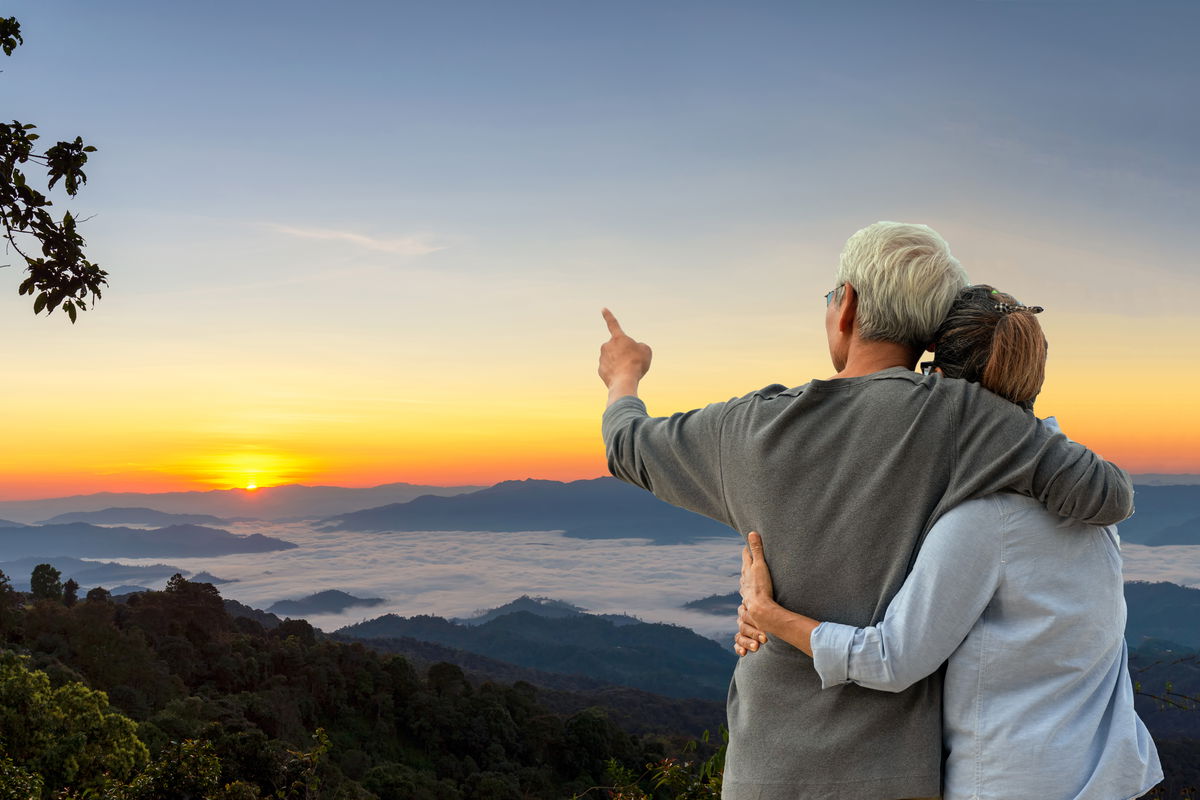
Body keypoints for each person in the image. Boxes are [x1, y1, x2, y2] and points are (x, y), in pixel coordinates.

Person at [598, 221, 1136, 800]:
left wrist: (624, 373)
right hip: (898, 772)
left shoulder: (746, 428)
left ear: (847, 303)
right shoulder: (966, 420)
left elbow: (628, 447)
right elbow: (1105, 495)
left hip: (767, 767)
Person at [735, 285, 1162, 799]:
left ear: (938, 386)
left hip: (1010, 784)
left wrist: (769, 614)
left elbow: (891, 660)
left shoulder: (986, 520)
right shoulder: (1084, 497)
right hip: (1115, 776)